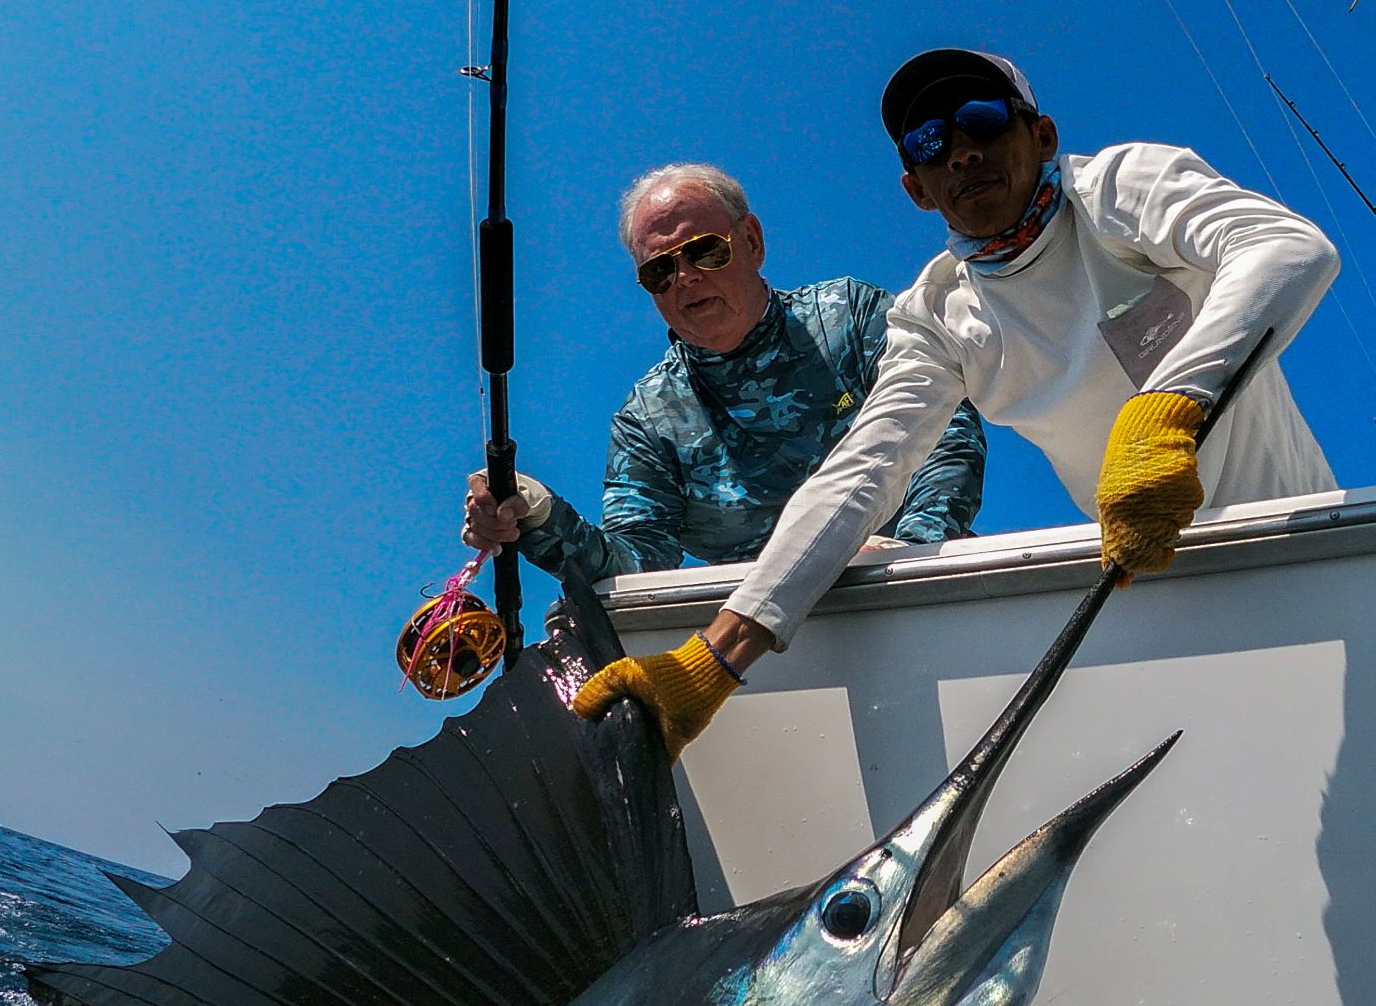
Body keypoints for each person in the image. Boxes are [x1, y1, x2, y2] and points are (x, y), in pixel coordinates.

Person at [574, 48, 1339, 757]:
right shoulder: (938, 314)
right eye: (929, 142)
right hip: (1160, 582)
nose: (960, 152)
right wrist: (714, 657)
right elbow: (862, 471)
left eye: (982, 120)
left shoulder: (1117, 190)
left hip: (1310, 549)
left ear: (1041, 135)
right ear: (914, 189)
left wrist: (1167, 407)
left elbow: (1288, 248)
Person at [464, 162, 987, 580]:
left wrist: (911, 552)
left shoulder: (849, 317)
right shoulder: (646, 420)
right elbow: (638, 564)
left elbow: (946, 431)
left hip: (909, 585)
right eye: (660, 269)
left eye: (704, 251)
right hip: (756, 637)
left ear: (753, 241)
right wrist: (537, 515)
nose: (686, 278)